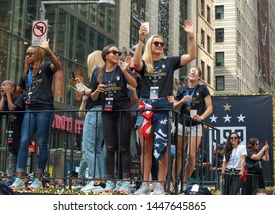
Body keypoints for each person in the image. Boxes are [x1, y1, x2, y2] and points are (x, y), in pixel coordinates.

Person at [133, 19, 196, 195]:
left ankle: (160, 185)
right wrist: (140, 40)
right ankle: (145, 184)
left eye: (162, 43)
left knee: (164, 147)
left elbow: (191, 56)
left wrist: (191, 36)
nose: (160, 45)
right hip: (146, 109)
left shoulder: (169, 62)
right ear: (150, 45)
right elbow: (135, 64)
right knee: (146, 148)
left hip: (163, 109)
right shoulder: (145, 63)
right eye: (156, 43)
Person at [10, 39, 61, 190]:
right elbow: (18, 91)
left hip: (45, 109)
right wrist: (8, 90)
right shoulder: (26, 73)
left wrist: (49, 50)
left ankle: (38, 179)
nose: (27, 56)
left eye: (30, 54)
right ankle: (19, 178)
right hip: (30, 110)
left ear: (38, 55)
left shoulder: (45, 68)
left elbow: (57, 66)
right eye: (26, 54)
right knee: (24, 142)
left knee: (42, 143)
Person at [90, 45, 137, 193]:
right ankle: (110, 180)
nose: (117, 55)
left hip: (123, 110)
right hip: (107, 111)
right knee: (109, 147)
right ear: (106, 55)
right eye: (114, 52)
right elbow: (92, 97)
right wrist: (97, 90)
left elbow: (134, 85)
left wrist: (125, 71)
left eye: (118, 53)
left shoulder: (121, 68)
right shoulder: (98, 72)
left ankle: (125, 180)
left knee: (123, 146)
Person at [173, 66, 213, 192]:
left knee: (191, 155)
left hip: (196, 125)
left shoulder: (202, 89)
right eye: (190, 71)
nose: (192, 73)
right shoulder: (181, 89)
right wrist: (181, 101)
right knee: (179, 154)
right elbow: (174, 106)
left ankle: (184, 182)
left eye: (195, 72)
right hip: (182, 123)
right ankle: (174, 182)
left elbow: (210, 108)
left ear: (199, 77)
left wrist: (201, 118)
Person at [76, 50, 106, 193]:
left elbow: (93, 93)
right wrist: (83, 86)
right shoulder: (107, 72)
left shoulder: (96, 71)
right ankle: (100, 180)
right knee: (98, 149)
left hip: (94, 112)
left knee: (89, 148)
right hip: (104, 113)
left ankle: (94, 181)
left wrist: (82, 88)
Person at [0, 80, 25, 180]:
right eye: (1, 85)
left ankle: (18, 179)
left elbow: (12, 108)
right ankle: (11, 179)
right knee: (12, 155)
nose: (2, 86)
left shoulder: (19, 98)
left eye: (4, 85)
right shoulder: (6, 99)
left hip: (20, 132)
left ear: (12, 88)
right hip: (11, 133)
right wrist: (3, 96)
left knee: (19, 155)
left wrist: (8, 95)